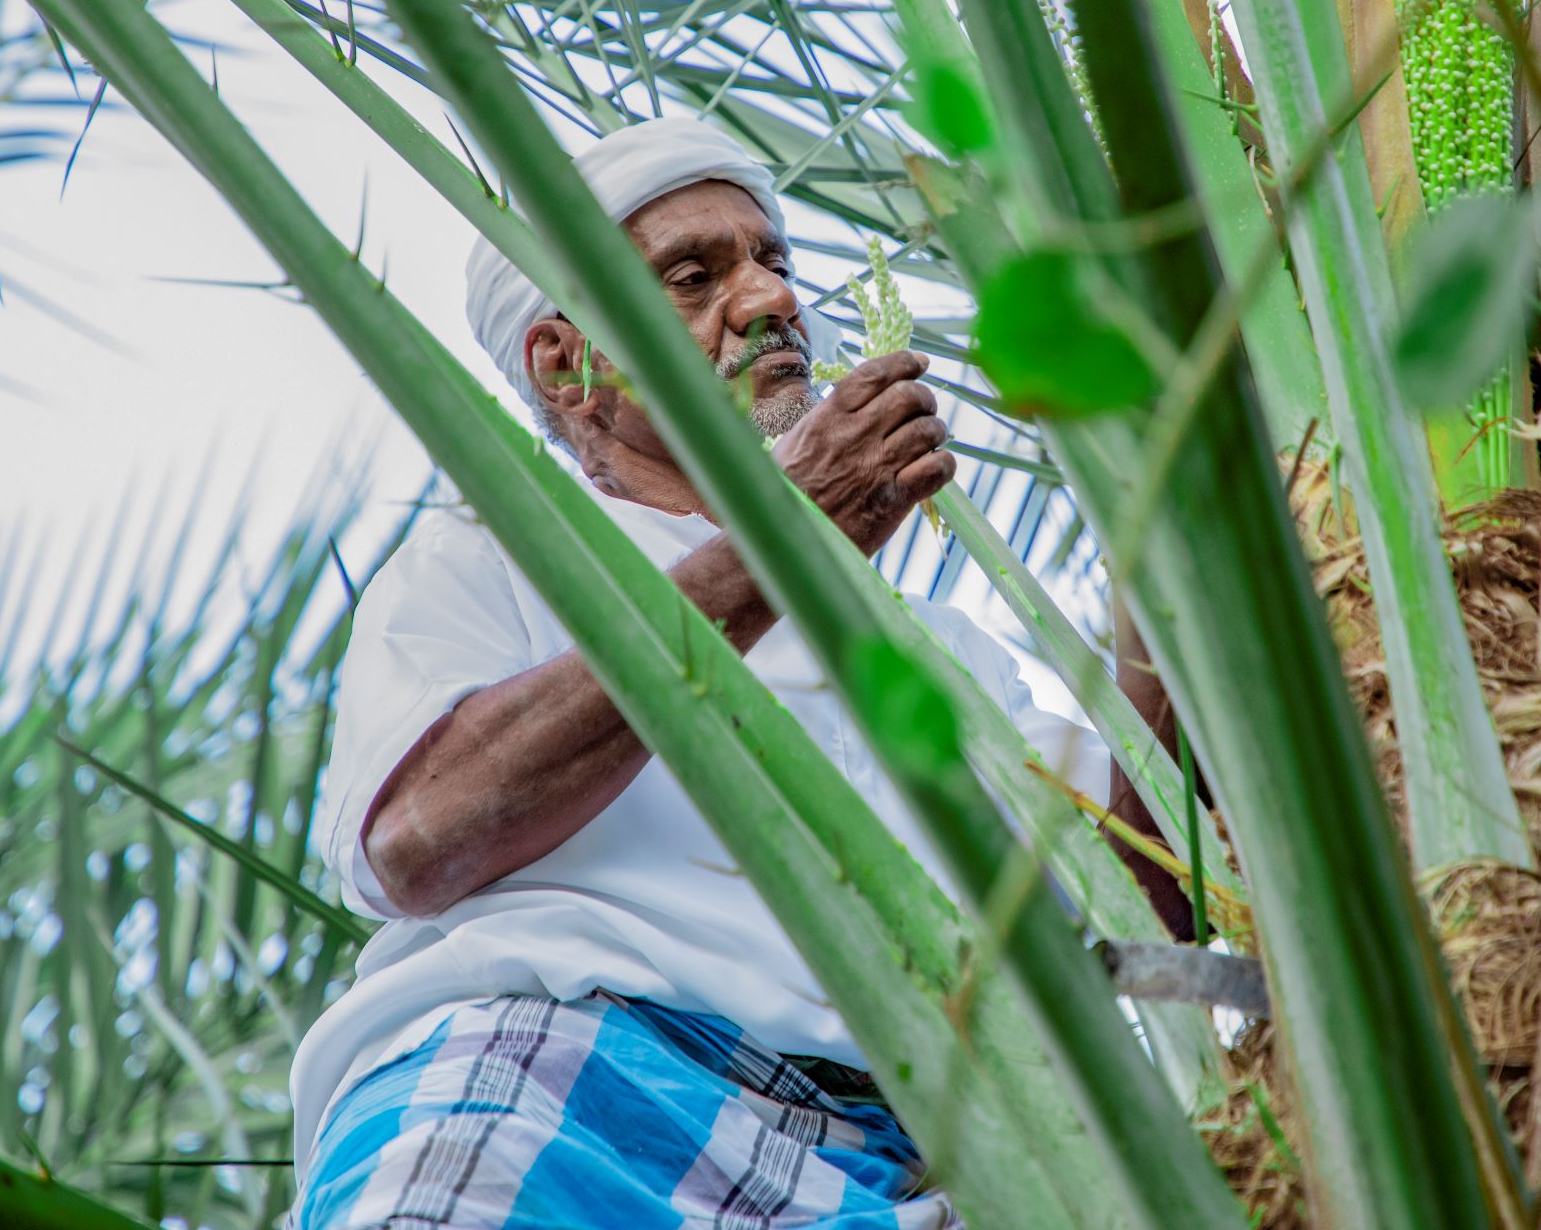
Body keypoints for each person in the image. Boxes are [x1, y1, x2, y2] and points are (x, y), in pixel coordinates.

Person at [290, 117, 1186, 1229]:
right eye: (692, 275)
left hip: (901, 1171)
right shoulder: (494, 559)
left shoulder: (935, 650)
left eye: (775, 260)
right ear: (564, 363)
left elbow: (1155, 887)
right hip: (555, 1089)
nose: (768, 301)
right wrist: (783, 544)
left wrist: (1182, 511)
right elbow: (419, 838)